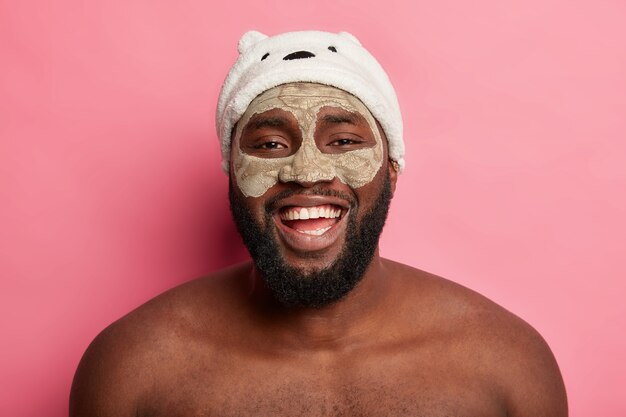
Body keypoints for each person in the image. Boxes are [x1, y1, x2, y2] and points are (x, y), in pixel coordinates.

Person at [70, 30, 567, 416]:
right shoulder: (132, 369)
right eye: (268, 145)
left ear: (392, 169)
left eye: (344, 141)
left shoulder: (507, 364)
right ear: (231, 173)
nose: (306, 172)